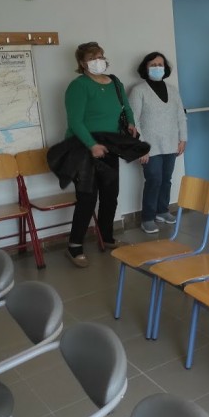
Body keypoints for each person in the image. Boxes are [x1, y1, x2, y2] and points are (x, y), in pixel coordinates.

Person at [60, 42, 140, 267]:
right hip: (82, 149)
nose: (98, 61)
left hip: (109, 147)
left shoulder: (115, 82)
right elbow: (75, 122)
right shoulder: (78, 86)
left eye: (101, 56)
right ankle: (74, 246)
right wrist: (92, 144)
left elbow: (126, 108)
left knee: (110, 194)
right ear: (82, 63)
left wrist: (131, 123)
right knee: (87, 198)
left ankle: (107, 237)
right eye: (92, 58)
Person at [129, 52, 188, 234]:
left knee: (166, 179)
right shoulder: (138, 90)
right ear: (145, 68)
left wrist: (183, 138)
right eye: (153, 65)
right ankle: (147, 218)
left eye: (160, 64)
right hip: (149, 146)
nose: (157, 67)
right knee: (154, 179)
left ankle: (162, 211)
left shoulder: (172, 90)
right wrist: (141, 147)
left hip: (171, 143)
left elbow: (180, 116)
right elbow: (133, 121)